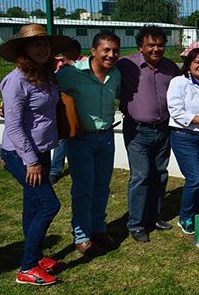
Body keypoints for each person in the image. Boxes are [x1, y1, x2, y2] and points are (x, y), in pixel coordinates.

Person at [0, 24, 71, 285]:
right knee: (50, 204)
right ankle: (27, 268)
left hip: (41, 150)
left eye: (45, 44)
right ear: (23, 49)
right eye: (35, 44)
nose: (42, 48)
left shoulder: (45, 74)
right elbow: (14, 126)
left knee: (32, 205)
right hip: (20, 154)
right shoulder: (16, 80)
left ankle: (36, 256)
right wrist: (31, 161)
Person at [57, 31, 121, 256]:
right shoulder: (71, 73)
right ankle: (82, 236)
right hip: (81, 139)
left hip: (107, 138)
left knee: (102, 187)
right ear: (93, 51)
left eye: (115, 50)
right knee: (84, 189)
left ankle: (98, 229)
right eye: (106, 50)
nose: (111, 55)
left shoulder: (116, 75)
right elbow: (43, 87)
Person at [116, 26, 179, 243]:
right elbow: (100, 70)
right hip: (137, 131)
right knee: (141, 176)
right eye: (151, 45)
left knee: (160, 174)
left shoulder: (170, 68)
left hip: (163, 129)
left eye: (160, 44)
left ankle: (155, 217)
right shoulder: (125, 65)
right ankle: (136, 223)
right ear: (140, 46)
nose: (156, 49)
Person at [168, 48, 199, 234]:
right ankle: (185, 217)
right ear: (189, 64)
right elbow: (176, 111)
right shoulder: (179, 83)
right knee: (195, 177)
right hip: (184, 136)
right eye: (197, 62)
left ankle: (195, 209)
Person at [50, 39, 84, 184]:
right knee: (63, 139)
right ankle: (55, 170)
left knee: (81, 141)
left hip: (82, 109)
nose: (64, 53)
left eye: (68, 50)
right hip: (65, 109)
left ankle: (79, 167)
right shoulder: (61, 64)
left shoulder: (84, 63)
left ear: (76, 51)